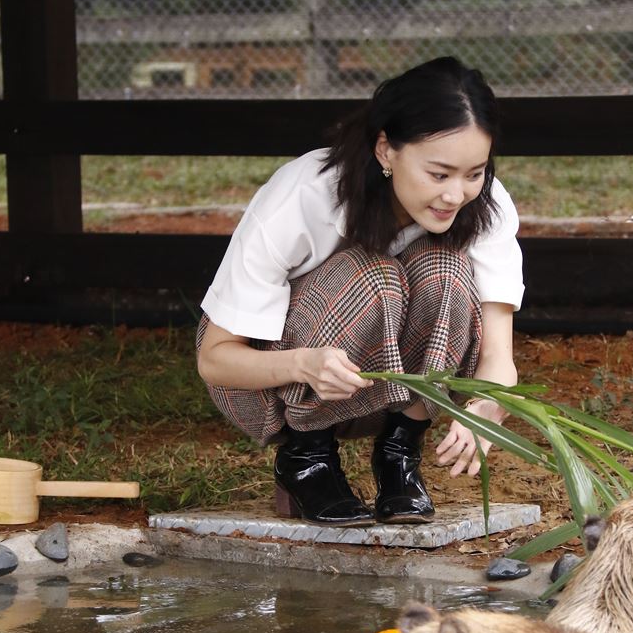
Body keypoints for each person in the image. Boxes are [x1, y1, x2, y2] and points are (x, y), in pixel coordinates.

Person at [197, 56, 524, 527]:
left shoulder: (485, 204)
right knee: (373, 277)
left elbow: (499, 354)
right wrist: (302, 363)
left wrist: (487, 405)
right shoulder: (305, 193)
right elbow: (215, 359)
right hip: (268, 388)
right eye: (439, 174)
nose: (456, 194)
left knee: (448, 269)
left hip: (384, 390)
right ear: (386, 150)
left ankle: (399, 453)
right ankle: (307, 459)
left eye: (474, 173)